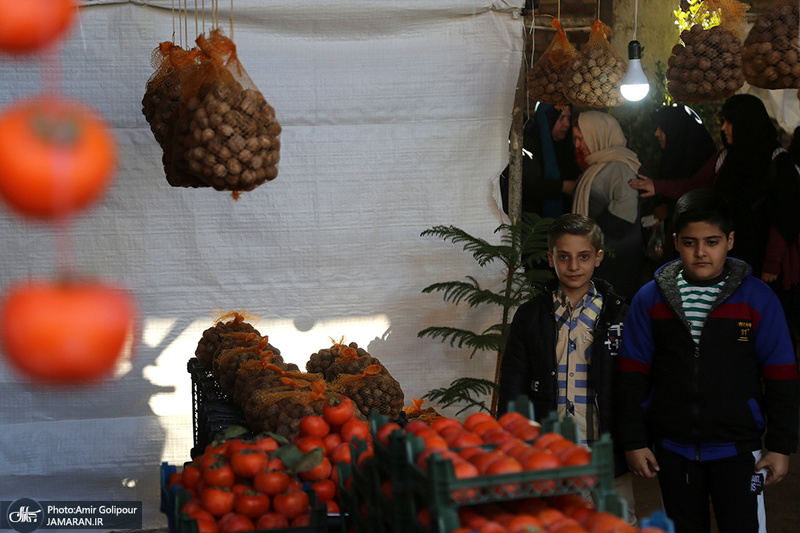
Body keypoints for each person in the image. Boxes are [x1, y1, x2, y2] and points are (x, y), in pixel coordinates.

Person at [614, 189, 799, 533]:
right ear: (675, 241)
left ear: (729, 241)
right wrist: (634, 441)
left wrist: (780, 446)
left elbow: (782, 378)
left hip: (740, 454)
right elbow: (630, 375)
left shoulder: (758, 299)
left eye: (711, 242)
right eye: (689, 242)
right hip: (672, 452)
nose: (701, 252)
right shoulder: (649, 300)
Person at [498, 213, 637, 524]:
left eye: (583, 256)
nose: (574, 266)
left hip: (605, 455)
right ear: (551, 259)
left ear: (598, 258)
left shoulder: (620, 315)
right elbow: (513, 385)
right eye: (564, 257)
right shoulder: (530, 316)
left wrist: (636, 442)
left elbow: (633, 386)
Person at [628, 94, 800, 282]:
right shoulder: (724, 157)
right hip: (727, 256)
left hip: (763, 261)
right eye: (723, 121)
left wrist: (771, 265)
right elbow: (695, 185)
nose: (723, 128)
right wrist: (657, 186)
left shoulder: (779, 162)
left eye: (729, 122)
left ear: (747, 122)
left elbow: (784, 217)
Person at [572, 111, 642, 300]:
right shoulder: (600, 165)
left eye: (581, 138)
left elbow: (623, 217)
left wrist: (587, 237)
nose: (577, 145)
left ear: (597, 134)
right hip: (600, 258)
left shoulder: (619, 168)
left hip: (616, 263)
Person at [641, 105, 718, 263]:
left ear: (675, 131)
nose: (657, 133)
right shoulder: (674, 157)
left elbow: (696, 191)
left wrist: (668, 210)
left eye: (661, 128)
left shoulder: (704, 160)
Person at [500, 103, 582, 218]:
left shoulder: (565, 147)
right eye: (561, 118)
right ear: (547, 118)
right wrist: (562, 186)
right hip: (532, 221)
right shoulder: (527, 144)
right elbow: (524, 183)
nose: (567, 124)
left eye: (568, 118)